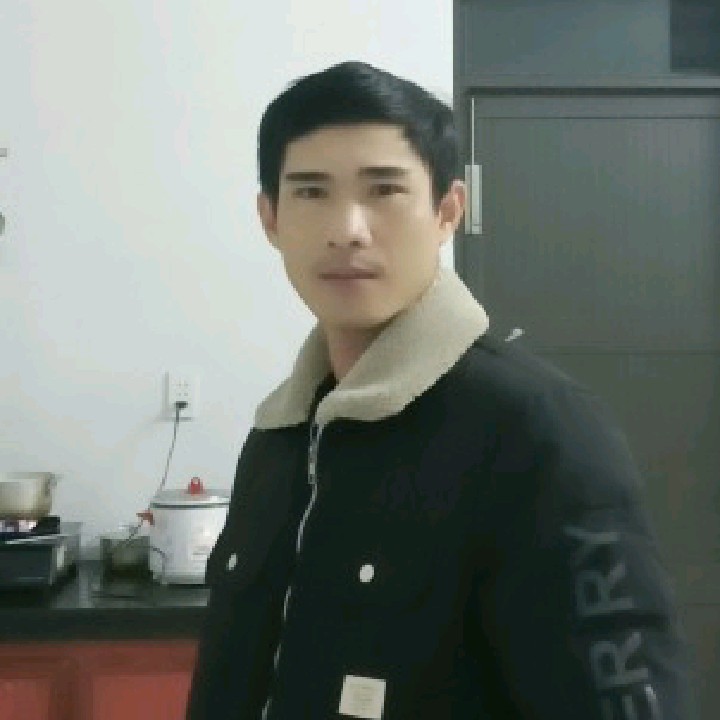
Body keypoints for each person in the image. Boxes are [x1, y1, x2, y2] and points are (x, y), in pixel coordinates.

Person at [186, 61, 691, 719]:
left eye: (384, 190)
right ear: (270, 218)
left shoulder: (536, 431)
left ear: (448, 211)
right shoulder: (277, 438)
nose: (348, 228)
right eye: (311, 192)